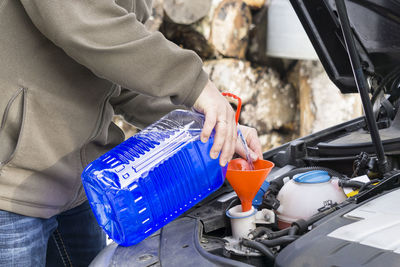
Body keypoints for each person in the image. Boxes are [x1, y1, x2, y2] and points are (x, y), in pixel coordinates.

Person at [0, 0, 262, 266]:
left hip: (82, 187)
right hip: (12, 190)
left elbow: (121, 75)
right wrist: (195, 84)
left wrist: (210, 124)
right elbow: (87, 24)